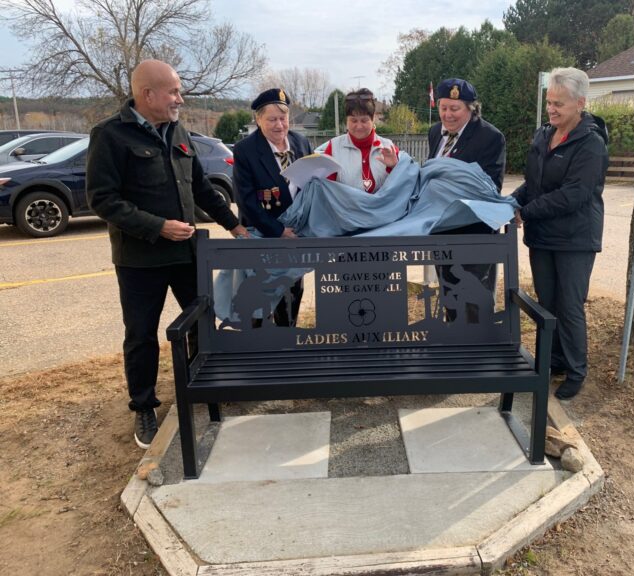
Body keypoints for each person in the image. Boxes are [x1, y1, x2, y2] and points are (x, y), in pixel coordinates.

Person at [86, 59, 247, 449]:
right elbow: (103, 199)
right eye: (173, 91)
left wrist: (234, 225)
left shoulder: (178, 132)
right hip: (139, 260)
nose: (180, 98)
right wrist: (157, 226)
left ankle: (199, 384)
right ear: (148, 95)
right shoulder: (110, 135)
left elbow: (202, 188)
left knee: (199, 323)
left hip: (187, 253)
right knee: (141, 335)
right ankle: (143, 406)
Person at [512, 67, 608, 400]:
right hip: (543, 238)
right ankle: (551, 361)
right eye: (550, 102)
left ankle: (576, 369)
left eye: (560, 104)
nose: (552, 109)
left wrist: (527, 211)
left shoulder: (591, 144)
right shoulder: (543, 136)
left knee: (569, 306)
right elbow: (534, 184)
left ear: (580, 103)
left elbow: (574, 194)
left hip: (574, 239)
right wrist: (512, 201)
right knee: (547, 304)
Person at [427, 78, 506, 322]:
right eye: (443, 107)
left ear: (471, 108)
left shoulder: (490, 137)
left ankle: (478, 355)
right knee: (449, 295)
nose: (447, 115)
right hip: (442, 232)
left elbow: (488, 187)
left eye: (455, 108)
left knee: (474, 302)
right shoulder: (435, 133)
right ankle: (454, 348)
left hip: (474, 233)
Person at [232, 88, 312, 326]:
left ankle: (287, 348)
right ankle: (259, 355)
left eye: (283, 118)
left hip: (295, 237)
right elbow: (245, 200)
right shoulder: (245, 149)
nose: (279, 125)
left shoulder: (301, 142)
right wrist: (277, 231)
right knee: (258, 304)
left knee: (291, 300)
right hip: (263, 236)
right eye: (272, 119)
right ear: (258, 120)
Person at [315, 88, 399, 193]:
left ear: (373, 119)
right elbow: (327, 191)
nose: (359, 126)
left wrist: (394, 167)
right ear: (346, 120)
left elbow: (399, 190)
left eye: (364, 120)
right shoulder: (334, 148)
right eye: (353, 120)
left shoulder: (388, 147)